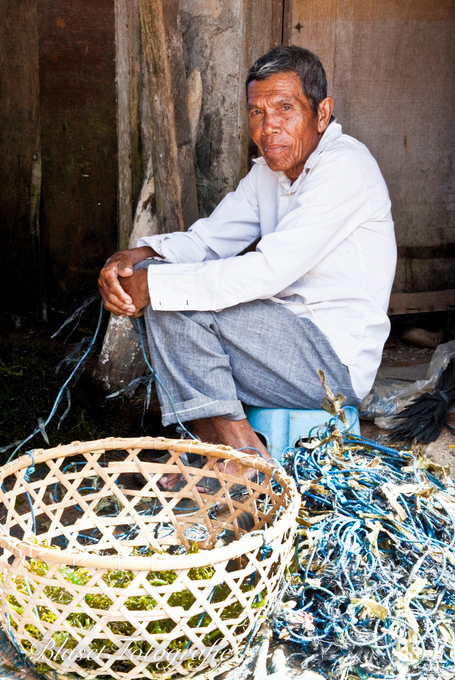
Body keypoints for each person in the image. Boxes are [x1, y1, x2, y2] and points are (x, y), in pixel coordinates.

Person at [98, 45, 397, 475]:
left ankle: (244, 455)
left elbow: (267, 272)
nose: (268, 126)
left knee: (169, 297)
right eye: (256, 112)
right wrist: (132, 257)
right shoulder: (269, 173)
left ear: (322, 112)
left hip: (332, 365)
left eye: (285, 108)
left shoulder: (345, 169)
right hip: (279, 338)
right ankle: (209, 444)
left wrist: (155, 285)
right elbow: (208, 240)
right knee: (155, 284)